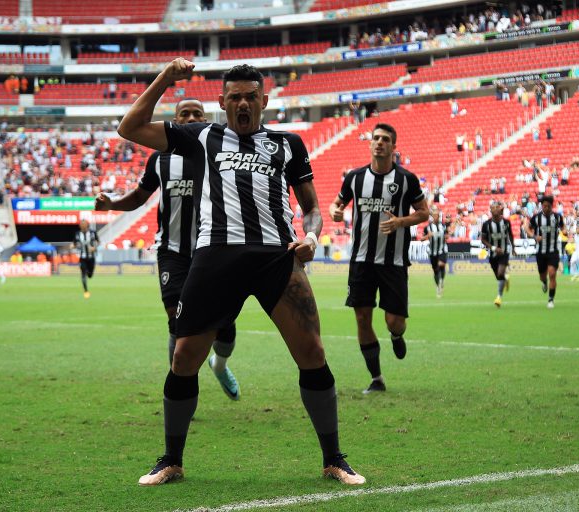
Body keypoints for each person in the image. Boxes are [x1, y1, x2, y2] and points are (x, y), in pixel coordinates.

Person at [118, 58, 365, 486]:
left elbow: (311, 209)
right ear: (222, 102)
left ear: (264, 100)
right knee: (183, 357)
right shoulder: (201, 136)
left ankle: (333, 459)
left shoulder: (289, 144)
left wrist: (311, 236)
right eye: (235, 97)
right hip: (215, 256)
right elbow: (130, 127)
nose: (243, 103)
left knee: (312, 354)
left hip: (275, 256)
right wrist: (166, 78)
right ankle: (171, 460)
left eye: (251, 96)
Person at [95, 98, 240, 400]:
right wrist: (112, 204)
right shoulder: (160, 159)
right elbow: (139, 197)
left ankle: (220, 364)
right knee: (177, 320)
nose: (190, 118)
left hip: (212, 250)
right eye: (183, 114)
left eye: (196, 114)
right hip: (172, 251)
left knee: (224, 327)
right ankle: (182, 388)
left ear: (206, 118)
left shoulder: (220, 155)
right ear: (174, 120)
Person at [328, 123, 429, 393]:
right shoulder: (355, 178)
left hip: (393, 262)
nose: (379, 143)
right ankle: (376, 378)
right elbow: (336, 204)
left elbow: (424, 213)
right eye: (375, 138)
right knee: (362, 318)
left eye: (385, 139)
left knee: (393, 321)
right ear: (370, 143)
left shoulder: (406, 179)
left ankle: (397, 335)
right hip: (361, 261)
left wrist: (400, 222)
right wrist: (335, 211)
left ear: (393, 147)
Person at [526, 195, 565, 308]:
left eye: (548, 206)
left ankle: (551, 299)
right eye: (544, 206)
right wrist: (534, 236)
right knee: (542, 276)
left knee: (552, 274)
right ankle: (544, 282)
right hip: (540, 252)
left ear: (551, 206)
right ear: (541, 206)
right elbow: (528, 228)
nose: (546, 208)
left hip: (553, 251)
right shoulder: (536, 218)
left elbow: (563, 227)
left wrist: (565, 231)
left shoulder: (557, 217)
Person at [481, 202, 515, 308]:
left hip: (505, 251)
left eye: (497, 207)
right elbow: (483, 239)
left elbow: (510, 235)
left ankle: (499, 297)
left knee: (500, 273)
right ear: (490, 211)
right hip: (492, 253)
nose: (495, 209)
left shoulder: (506, 222)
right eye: (493, 208)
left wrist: (513, 247)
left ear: (500, 210)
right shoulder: (486, 224)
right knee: (499, 276)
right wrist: (494, 248)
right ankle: (505, 277)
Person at [422, 205, 448, 298]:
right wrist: (427, 236)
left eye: (438, 215)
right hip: (432, 252)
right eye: (435, 215)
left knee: (441, 264)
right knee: (435, 270)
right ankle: (438, 286)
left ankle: (442, 280)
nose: (436, 217)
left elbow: (446, 235)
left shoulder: (443, 226)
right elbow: (421, 238)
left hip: (442, 249)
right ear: (432, 216)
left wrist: (447, 236)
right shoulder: (428, 227)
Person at [74, 219, 98, 298]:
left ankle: (89, 272)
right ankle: (86, 291)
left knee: (90, 275)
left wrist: (94, 247)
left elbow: (98, 241)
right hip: (82, 257)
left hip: (91, 257)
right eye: (81, 224)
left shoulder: (92, 233)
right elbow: (75, 243)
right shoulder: (77, 234)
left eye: (84, 224)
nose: (82, 225)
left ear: (87, 225)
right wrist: (73, 245)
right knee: (83, 273)